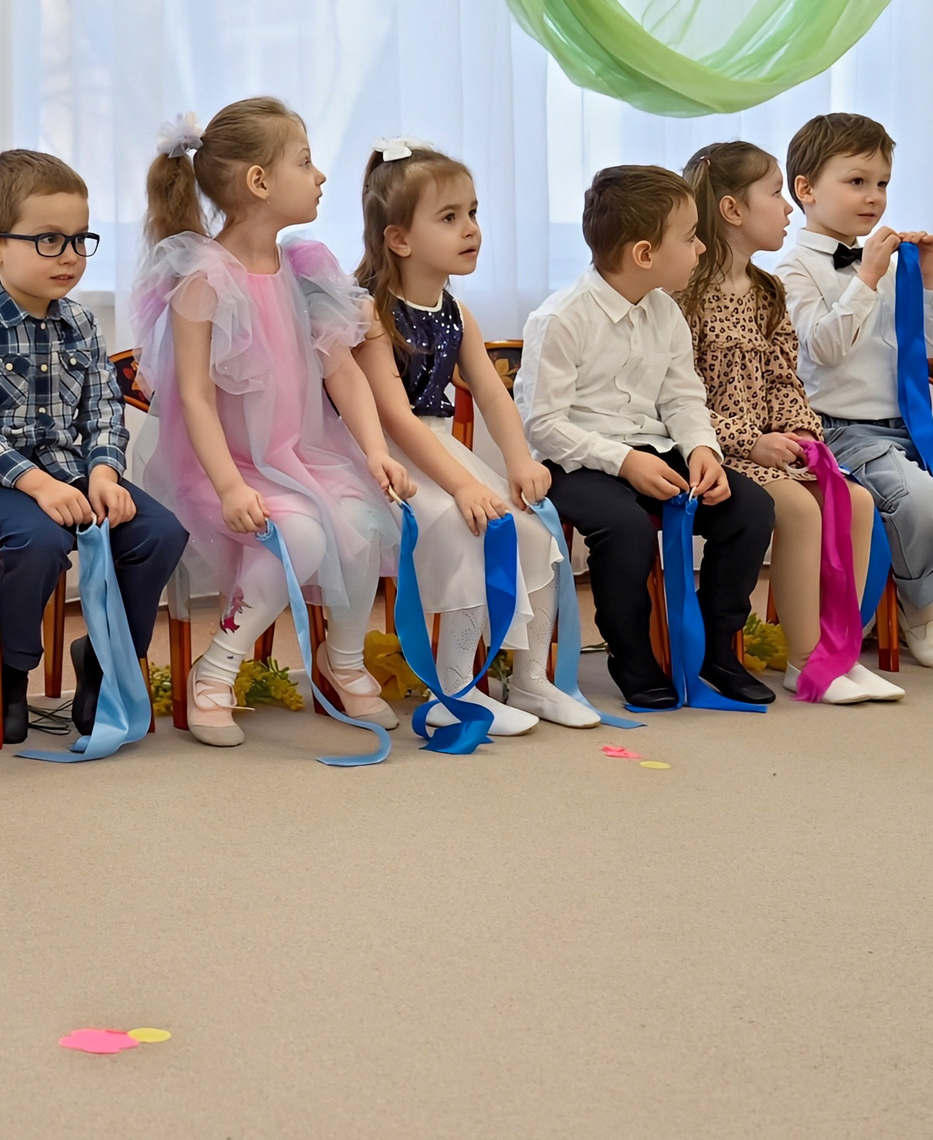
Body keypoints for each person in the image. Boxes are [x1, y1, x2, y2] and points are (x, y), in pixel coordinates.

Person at [129, 98, 408, 747]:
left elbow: (342, 371)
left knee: (366, 518)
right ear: (259, 181)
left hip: (301, 456)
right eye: (305, 161)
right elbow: (194, 397)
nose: (320, 176)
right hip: (224, 466)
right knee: (301, 536)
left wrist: (373, 451)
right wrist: (229, 485)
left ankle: (340, 663)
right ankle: (215, 668)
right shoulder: (204, 278)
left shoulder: (307, 267)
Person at [0, 149, 187, 745]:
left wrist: (104, 472)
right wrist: (38, 484)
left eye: (79, 239)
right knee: (39, 539)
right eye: (49, 240)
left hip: (73, 473)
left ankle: (101, 659)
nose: (69, 256)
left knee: (160, 532)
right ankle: (13, 671)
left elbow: (102, 408)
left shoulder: (82, 322)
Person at [514, 164, 777, 711]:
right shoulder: (560, 318)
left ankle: (712, 647)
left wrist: (702, 448)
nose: (701, 248)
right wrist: (622, 461)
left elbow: (683, 398)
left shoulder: (666, 312)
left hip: (656, 452)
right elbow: (544, 425)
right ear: (643, 254)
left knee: (750, 507)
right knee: (625, 527)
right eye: (689, 237)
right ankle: (631, 654)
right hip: (576, 461)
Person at [776, 112, 933, 670]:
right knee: (919, 498)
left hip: (913, 428)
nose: (874, 197)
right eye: (857, 181)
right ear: (807, 190)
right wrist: (865, 279)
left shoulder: (891, 265)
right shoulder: (791, 271)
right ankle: (928, 612)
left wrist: (928, 278)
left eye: (882, 183)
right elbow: (823, 348)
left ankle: (909, 590)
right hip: (842, 431)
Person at [349, 138, 579, 731]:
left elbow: (494, 393)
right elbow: (396, 418)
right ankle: (454, 690)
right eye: (450, 218)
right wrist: (461, 487)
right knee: (465, 525)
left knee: (533, 533)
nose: (471, 228)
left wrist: (519, 460)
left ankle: (528, 681)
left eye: (472, 213)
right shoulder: (372, 314)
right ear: (399, 239)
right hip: (384, 457)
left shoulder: (455, 311)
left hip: (438, 449)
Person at [680, 141, 889, 702]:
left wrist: (801, 437)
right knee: (795, 506)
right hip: (713, 452)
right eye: (775, 194)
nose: (788, 209)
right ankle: (805, 662)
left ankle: (837, 652)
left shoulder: (767, 291)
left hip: (772, 446)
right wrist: (751, 442)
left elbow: (784, 382)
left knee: (856, 499)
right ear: (732, 210)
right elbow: (675, 397)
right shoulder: (684, 296)